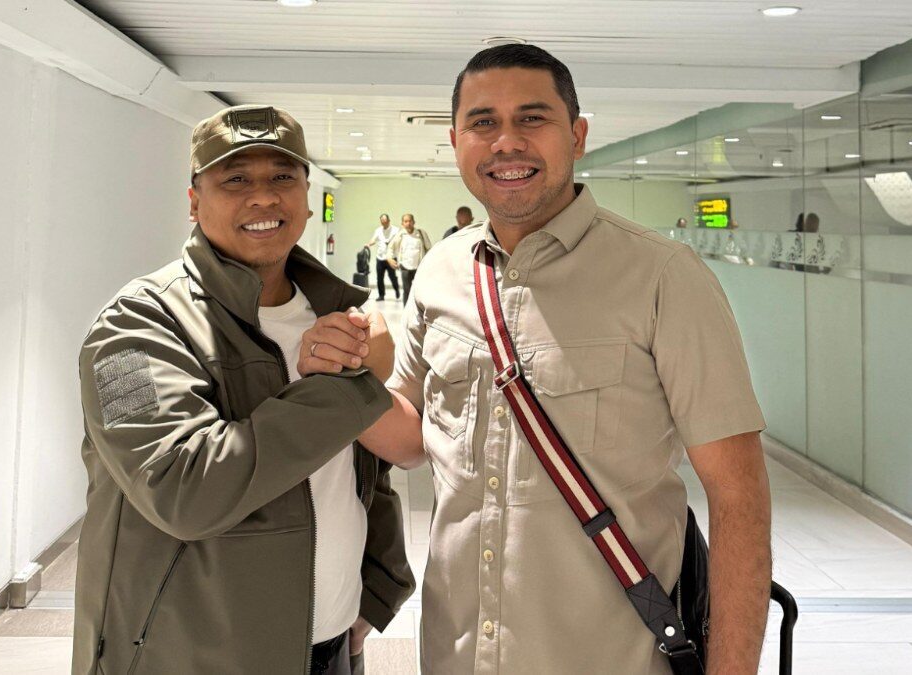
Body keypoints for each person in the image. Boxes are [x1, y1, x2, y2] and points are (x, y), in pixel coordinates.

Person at [314, 44, 772, 674]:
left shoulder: (663, 276)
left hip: (612, 658)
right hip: (457, 653)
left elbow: (739, 495)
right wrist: (348, 375)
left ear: (576, 135)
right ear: (455, 141)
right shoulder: (441, 272)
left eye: (532, 118)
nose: (506, 142)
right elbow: (412, 439)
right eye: (483, 122)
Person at [72, 104, 418, 675]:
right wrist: (349, 387)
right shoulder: (131, 328)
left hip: (333, 643)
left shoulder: (334, 314)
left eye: (283, 176)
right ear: (194, 201)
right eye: (235, 179)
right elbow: (182, 491)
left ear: (307, 196)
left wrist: (377, 591)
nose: (263, 197)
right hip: (196, 658)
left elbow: (359, 476)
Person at [387, 213, 432, 305]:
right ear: (402, 223)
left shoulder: (421, 233)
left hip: (419, 268)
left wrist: (428, 264)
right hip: (405, 267)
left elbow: (429, 248)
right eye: (405, 221)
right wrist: (389, 259)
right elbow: (390, 247)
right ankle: (406, 311)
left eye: (410, 221)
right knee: (407, 291)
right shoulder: (400, 235)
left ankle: (420, 310)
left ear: (414, 222)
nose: (408, 223)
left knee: (420, 291)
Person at [365, 213, 400, 300]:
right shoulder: (378, 230)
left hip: (391, 257)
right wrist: (369, 244)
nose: (384, 223)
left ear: (389, 221)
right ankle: (381, 295)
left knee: (392, 276)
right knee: (379, 278)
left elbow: (399, 241)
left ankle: (396, 289)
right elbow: (374, 240)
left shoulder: (395, 230)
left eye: (385, 221)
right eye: (382, 222)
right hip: (380, 257)